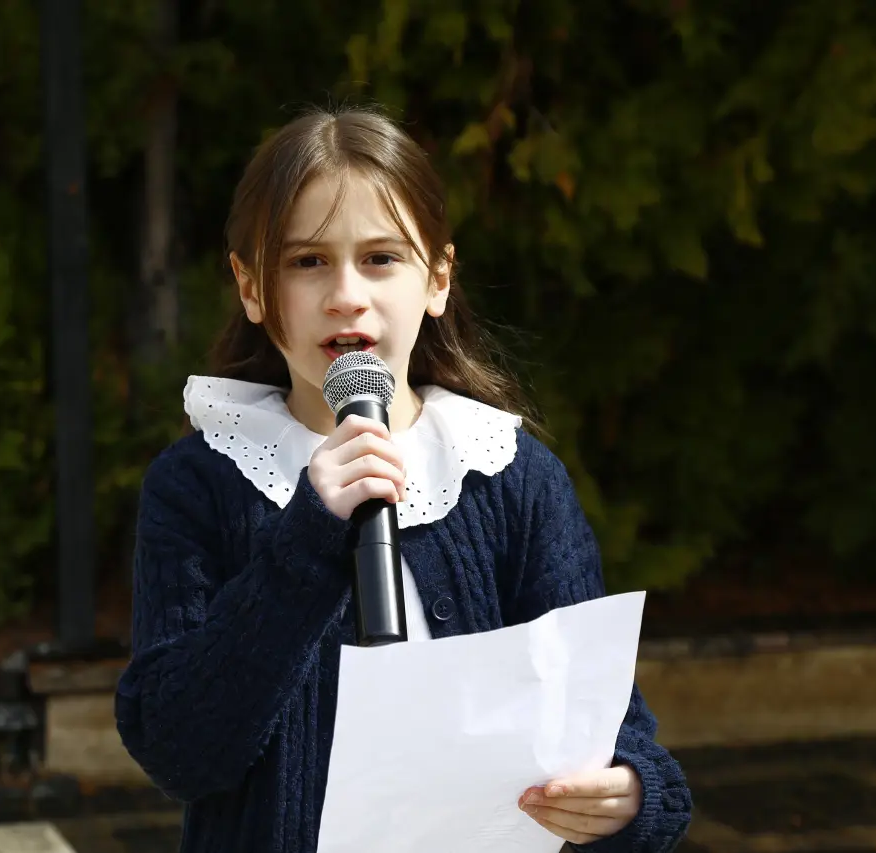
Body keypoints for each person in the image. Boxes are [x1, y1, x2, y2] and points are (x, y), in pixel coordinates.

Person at [115, 106, 692, 853]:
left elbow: (610, 731)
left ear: (437, 279)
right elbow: (177, 747)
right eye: (306, 261)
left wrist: (631, 795)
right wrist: (307, 538)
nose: (346, 293)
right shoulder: (201, 484)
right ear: (252, 287)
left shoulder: (509, 478)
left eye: (381, 258)